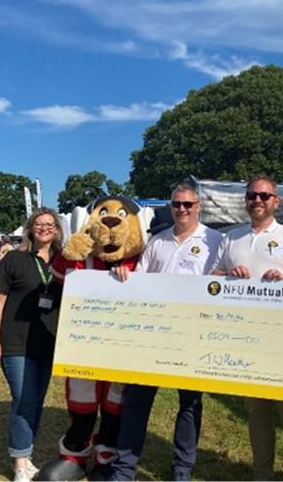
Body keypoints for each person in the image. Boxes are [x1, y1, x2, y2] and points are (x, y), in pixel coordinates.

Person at [107, 183, 222, 481]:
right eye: (176, 204)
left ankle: (182, 469)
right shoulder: (158, 241)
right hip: (154, 336)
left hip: (194, 334)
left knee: (190, 404)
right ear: (170, 207)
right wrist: (124, 275)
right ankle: (124, 469)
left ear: (198, 206)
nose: (182, 209)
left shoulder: (216, 241)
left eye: (187, 204)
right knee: (137, 402)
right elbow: (140, 283)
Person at [213, 176, 283, 481]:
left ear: (276, 201)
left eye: (264, 196)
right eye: (252, 196)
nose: (257, 201)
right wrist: (230, 273)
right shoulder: (231, 237)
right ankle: (262, 474)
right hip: (245, 337)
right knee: (255, 412)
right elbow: (213, 276)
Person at [0, 208, 64, 482]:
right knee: (24, 398)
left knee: (37, 399)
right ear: (31, 229)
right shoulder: (15, 259)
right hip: (15, 341)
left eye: (50, 225)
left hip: (49, 343)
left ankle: (26, 456)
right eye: (39, 224)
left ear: (57, 230)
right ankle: (20, 462)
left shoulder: (63, 262)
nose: (44, 228)